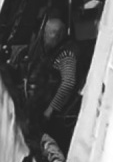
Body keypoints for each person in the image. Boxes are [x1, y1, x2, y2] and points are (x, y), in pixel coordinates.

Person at [18, 12, 83, 144]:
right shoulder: (54, 51)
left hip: (57, 115)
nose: (44, 38)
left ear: (56, 36)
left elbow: (68, 83)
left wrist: (50, 109)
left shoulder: (66, 55)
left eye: (47, 34)